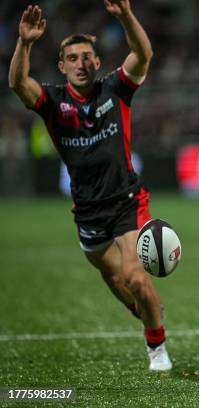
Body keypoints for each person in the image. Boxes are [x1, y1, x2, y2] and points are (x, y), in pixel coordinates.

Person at [8, 1, 171, 371]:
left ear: (97, 62)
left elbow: (143, 54)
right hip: (87, 209)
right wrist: (25, 42)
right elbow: (17, 83)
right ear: (62, 66)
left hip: (128, 201)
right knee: (115, 279)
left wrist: (126, 16)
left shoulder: (115, 89)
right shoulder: (52, 102)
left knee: (136, 277)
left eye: (87, 56)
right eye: (72, 57)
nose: (81, 62)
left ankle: (156, 345)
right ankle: (145, 311)